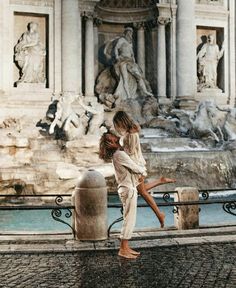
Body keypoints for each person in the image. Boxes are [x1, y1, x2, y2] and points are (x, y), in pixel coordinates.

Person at [99, 132, 174, 259]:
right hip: (127, 190)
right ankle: (123, 249)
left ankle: (126, 247)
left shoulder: (117, 154)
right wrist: (143, 171)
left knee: (129, 219)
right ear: (109, 143)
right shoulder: (119, 154)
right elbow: (135, 167)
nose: (114, 137)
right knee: (129, 220)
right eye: (110, 138)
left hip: (128, 189)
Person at [113, 111, 175, 228]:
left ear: (120, 122)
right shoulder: (130, 133)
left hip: (135, 166)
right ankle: (160, 183)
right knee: (140, 191)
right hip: (135, 165)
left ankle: (160, 214)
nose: (116, 127)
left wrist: (139, 171)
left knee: (141, 192)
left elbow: (130, 153)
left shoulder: (130, 135)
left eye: (116, 124)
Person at [112, 27, 153, 98]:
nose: (130, 34)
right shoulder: (121, 40)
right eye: (128, 32)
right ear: (126, 33)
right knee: (125, 79)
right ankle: (128, 95)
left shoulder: (130, 42)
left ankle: (145, 91)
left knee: (139, 76)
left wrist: (133, 60)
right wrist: (116, 56)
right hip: (122, 61)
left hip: (130, 61)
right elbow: (116, 48)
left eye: (131, 33)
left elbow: (132, 53)